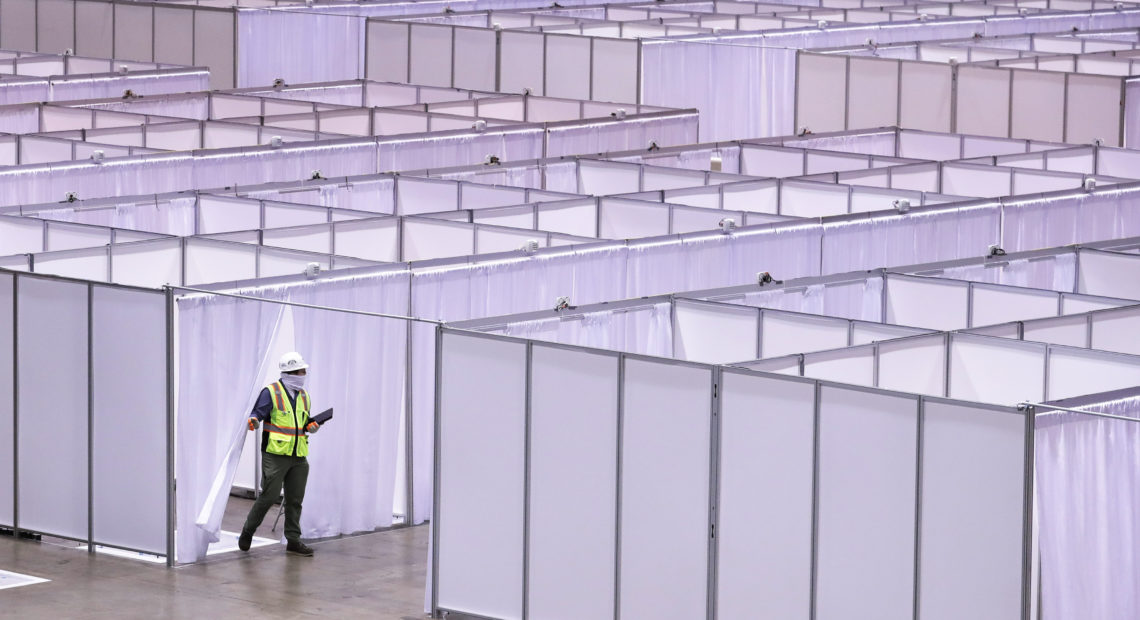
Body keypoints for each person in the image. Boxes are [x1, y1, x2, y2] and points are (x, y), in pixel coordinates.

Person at [238, 351, 321, 557]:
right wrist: (253, 421)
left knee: (295, 499)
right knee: (269, 496)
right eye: (302, 371)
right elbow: (257, 413)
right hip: (275, 455)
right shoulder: (271, 392)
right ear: (291, 372)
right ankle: (248, 530)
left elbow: (302, 421)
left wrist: (310, 425)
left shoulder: (303, 395)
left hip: (298, 456)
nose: (304, 374)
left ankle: (293, 540)